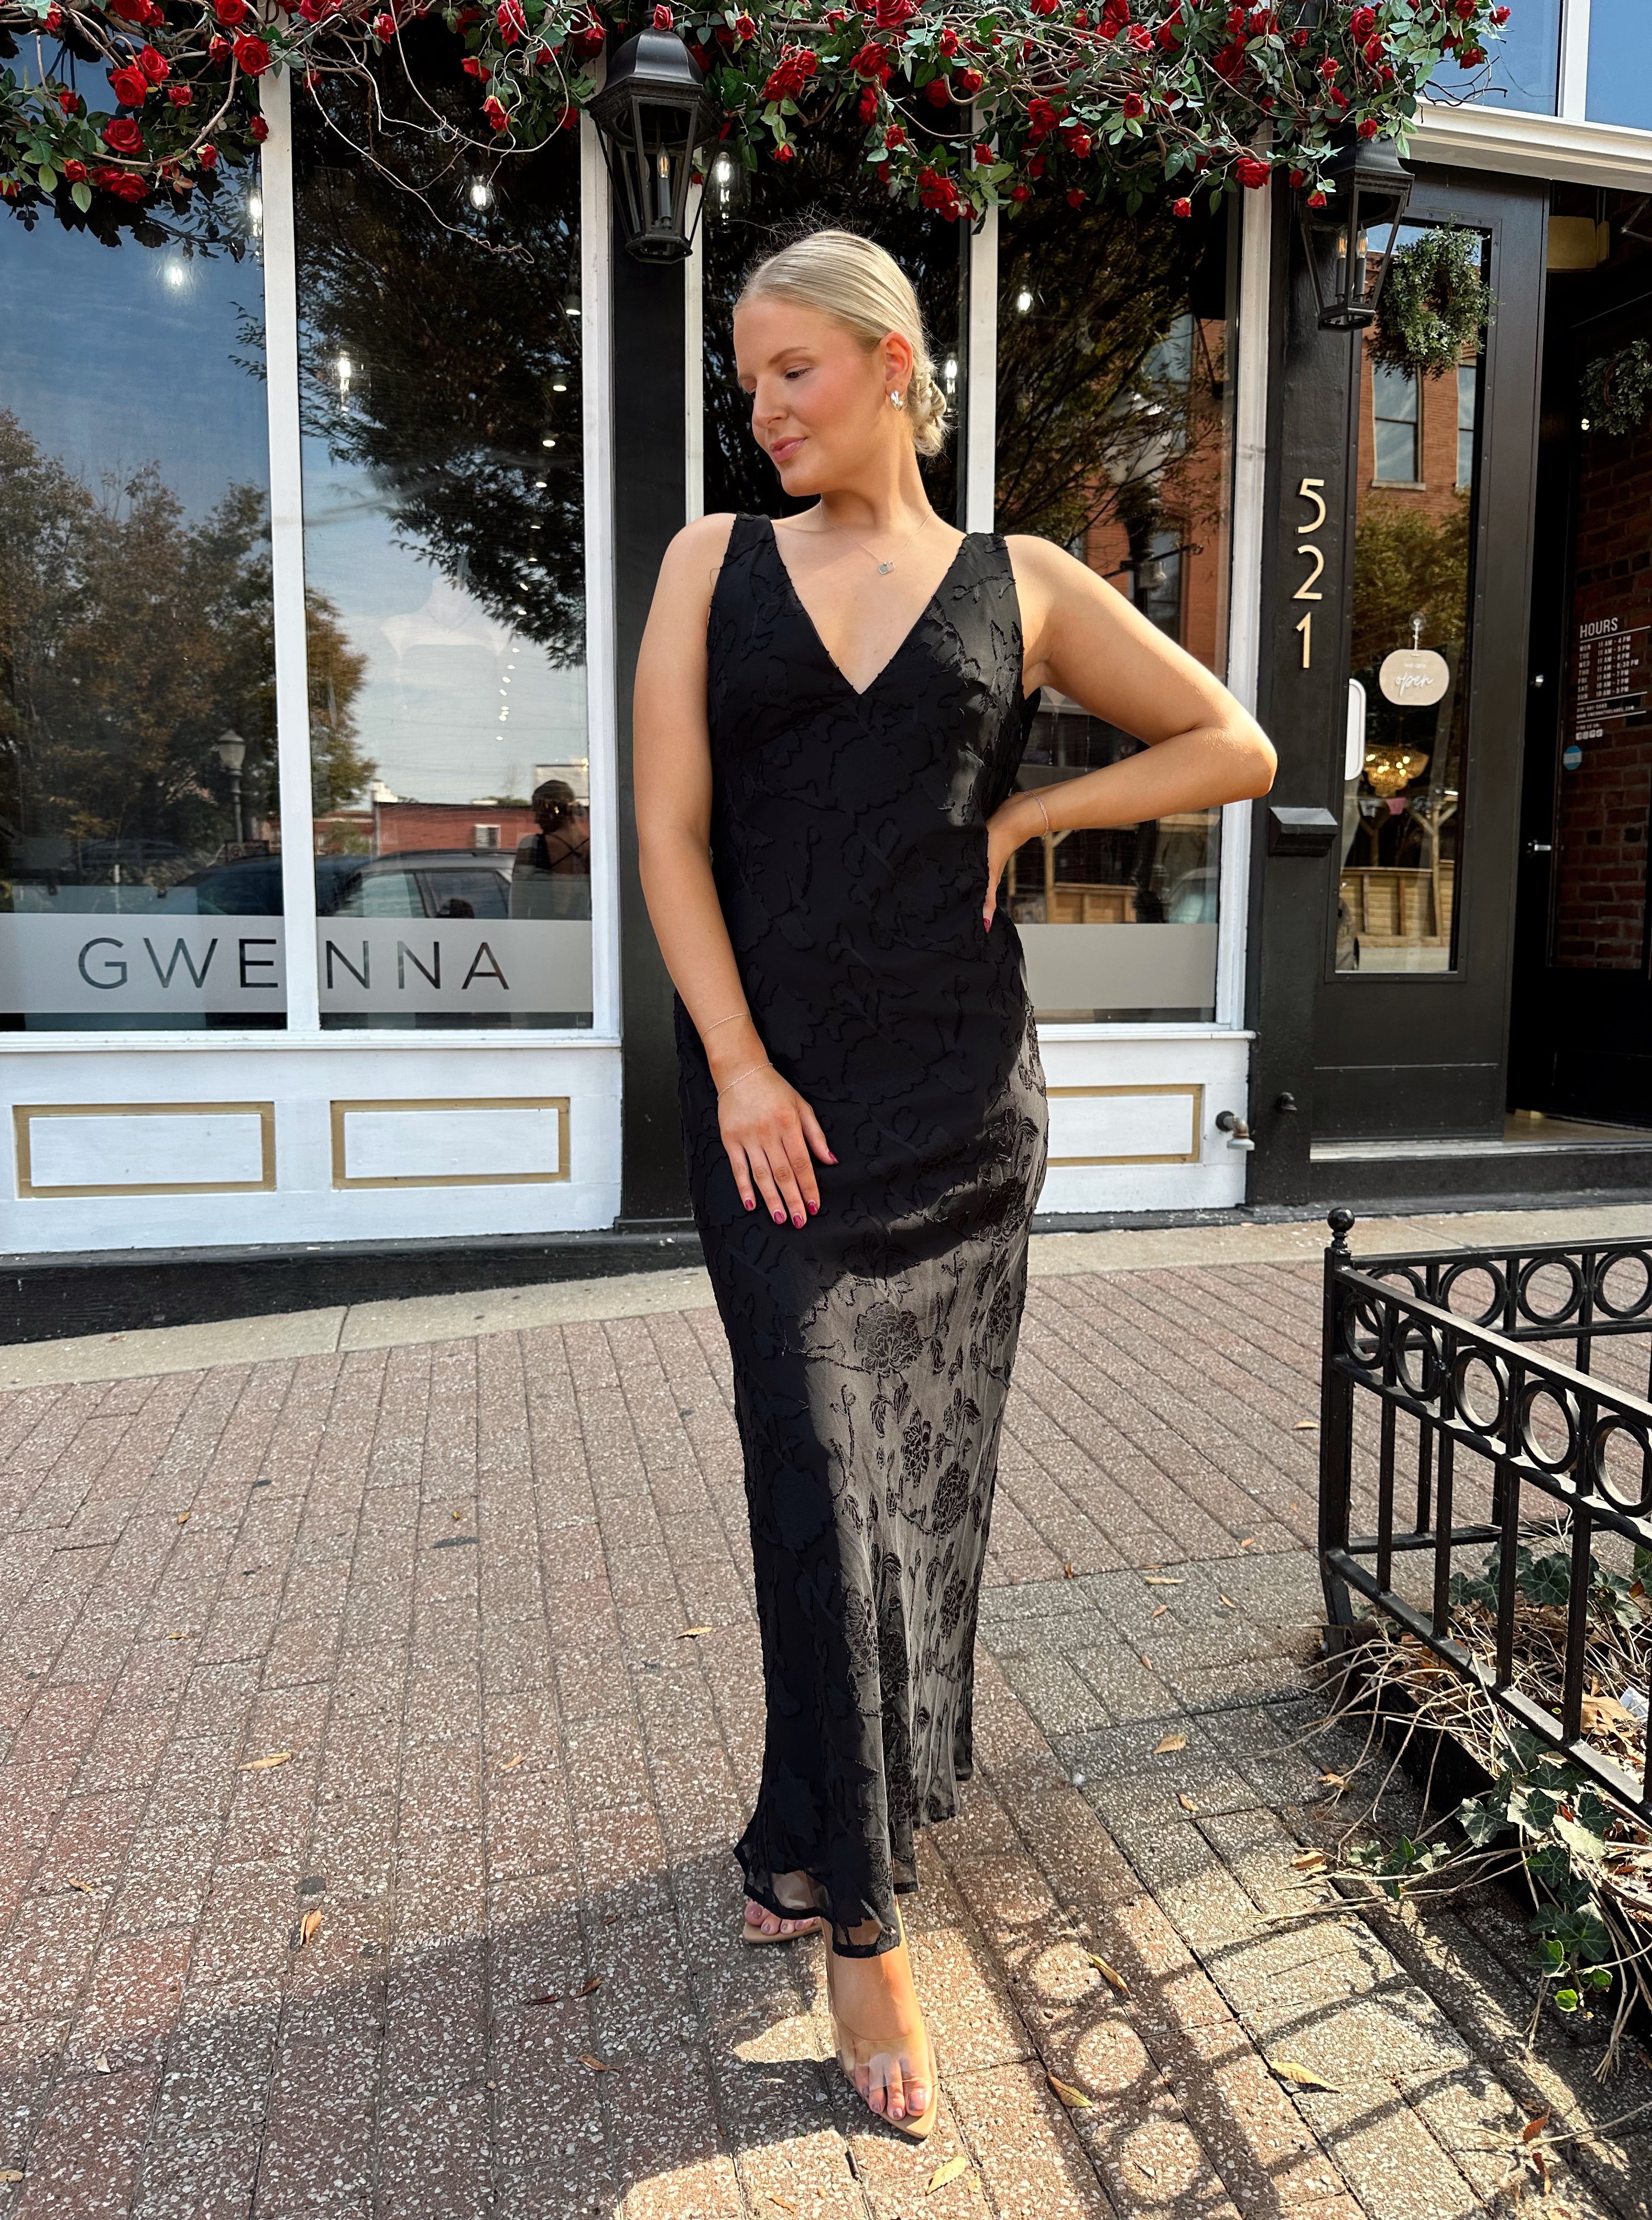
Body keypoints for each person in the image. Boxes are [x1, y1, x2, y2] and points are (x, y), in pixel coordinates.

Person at [633, 229, 1275, 2142]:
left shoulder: (1023, 583)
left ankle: (803, 1826)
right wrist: (739, 1063)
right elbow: (666, 832)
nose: (758, 413)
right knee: (818, 1465)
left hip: (957, 1103)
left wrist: (1031, 804)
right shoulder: (707, 567)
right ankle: (868, 1937)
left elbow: (1228, 744)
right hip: (779, 1106)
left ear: (893, 363)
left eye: (788, 374)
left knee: (905, 1486)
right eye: (744, 382)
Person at [509, 777, 590, 918]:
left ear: (553, 810)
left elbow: (518, 904)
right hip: (583, 932)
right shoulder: (593, 848)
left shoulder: (531, 846)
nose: (536, 820)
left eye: (538, 812)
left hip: (541, 931)